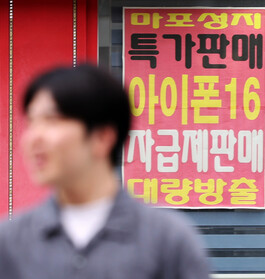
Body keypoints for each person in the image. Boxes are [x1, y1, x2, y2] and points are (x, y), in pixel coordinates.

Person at [0, 65, 211, 279]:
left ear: (102, 137)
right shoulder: (10, 241)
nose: (33, 138)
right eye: (31, 123)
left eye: (52, 120)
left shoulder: (167, 240)